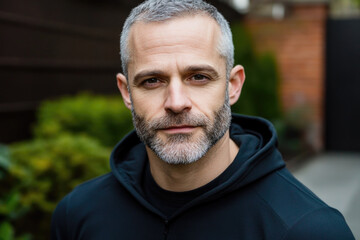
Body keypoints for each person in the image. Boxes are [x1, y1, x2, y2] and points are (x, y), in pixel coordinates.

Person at [51, 0, 355, 239]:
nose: (176, 102)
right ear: (126, 91)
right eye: (152, 81)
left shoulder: (308, 229)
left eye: (198, 76)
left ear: (232, 85)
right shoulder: (77, 215)